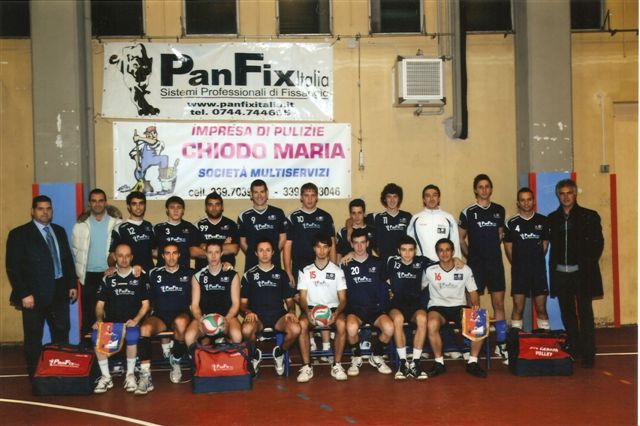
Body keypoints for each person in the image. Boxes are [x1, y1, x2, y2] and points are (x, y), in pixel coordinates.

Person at [6, 195, 77, 378]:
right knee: (33, 337)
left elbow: (67, 260)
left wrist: (72, 284)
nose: (45, 212)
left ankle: (60, 372)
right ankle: (35, 375)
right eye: (40, 209)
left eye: (48, 208)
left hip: (59, 292)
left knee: (61, 334)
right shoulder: (19, 234)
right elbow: (13, 267)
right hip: (33, 295)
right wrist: (24, 293)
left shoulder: (59, 231)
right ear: (32, 211)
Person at [548, 179, 604, 368]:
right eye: (562, 193)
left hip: (582, 275)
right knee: (567, 314)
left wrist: (587, 265)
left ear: (575, 194)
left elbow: (598, 243)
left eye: (569, 193)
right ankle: (576, 347)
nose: (566, 197)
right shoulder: (552, 218)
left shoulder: (589, 216)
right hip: (561, 275)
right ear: (558, 195)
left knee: (586, 314)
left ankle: (589, 353)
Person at [458, 174, 508, 362]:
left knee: (499, 304)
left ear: (491, 189)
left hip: (495, 264)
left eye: (487, 186)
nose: (484, 190)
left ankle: (501, 344)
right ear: (475, 190)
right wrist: (470, 256)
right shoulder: (468, 212)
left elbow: (500, 234)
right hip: (476, 266)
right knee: (474, 305)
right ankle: (471, 343)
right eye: (480, 187)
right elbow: (460, 237)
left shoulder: (499, 210)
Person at [423, 238, 487, 378]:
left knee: (479, 321)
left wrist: (476, 307)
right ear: (437, 253)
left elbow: (473, 292)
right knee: (432, 323)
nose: (444, 253)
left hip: (459, 306)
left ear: (452, 252)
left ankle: (472, 362)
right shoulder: (429, 270)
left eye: (447, 250)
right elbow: (419, 287)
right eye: (441, 250)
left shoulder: (464, 269)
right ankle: (439, 363)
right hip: (437, 307)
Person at [135, 243, 192, 395]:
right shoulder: (154, 273)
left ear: (179, 255)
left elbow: (210, 269)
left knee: (181, 323)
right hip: (160, 316)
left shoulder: (189, 273)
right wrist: (114, 269)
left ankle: (176, 360)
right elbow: (132, 272)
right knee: (144, 329)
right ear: (162, 256)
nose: (171, 257)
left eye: (174, 253)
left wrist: (225, 264)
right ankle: (145, 375)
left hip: (181, 314)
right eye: (167, 253)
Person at [93, 243, 150, 394]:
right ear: (114, 257)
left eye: (127, 256)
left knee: (132, 335)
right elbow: (99, 305)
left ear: (132, 257)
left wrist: (136, 320)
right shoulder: (108, 278)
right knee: (96, 335)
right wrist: (99, 319)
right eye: (120, 256)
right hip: (112, 323)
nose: (124, 259)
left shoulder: (140, 276)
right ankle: (106, 377)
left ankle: (130, 375)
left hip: (131, 322)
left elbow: (146, 305)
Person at [240, 239, 299, 376]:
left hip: (278, 316)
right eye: (261, 250)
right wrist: (248, 312)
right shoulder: (249, 275)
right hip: (257, 317)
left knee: (296, 329)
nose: (264, 253)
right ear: (256, 253)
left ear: (273, 252)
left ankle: (279, 352)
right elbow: (242, 304)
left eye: (268, 250)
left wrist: (291, 312)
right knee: (246, 330)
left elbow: (290, 302)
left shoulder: (281, 274)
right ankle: (255, 354)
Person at [296, 233, 348, 382]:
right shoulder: (305, 271)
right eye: (318, 247)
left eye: (325, 247)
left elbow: (343, 299)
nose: (322, 250)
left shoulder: (337, 271)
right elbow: (302, 298)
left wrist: (336, 313)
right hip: (311, 309)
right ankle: (307, 366)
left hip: (332, 309)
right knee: (301, 325)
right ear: (314, 248)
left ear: (329, 249)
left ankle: (337, 364)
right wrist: (307, 312)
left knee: (342, 324)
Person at [342, 229, 393, 376]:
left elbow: (387, 283)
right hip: (355, 309)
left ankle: (376, 355)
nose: (359, 247)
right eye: (356, 243)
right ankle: (356, 357)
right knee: (351, 328)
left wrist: (390, 293)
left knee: (389, 328)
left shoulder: (378, 263)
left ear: (368, 243)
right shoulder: (345, 264)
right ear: (351, 244)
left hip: (375, 309)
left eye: (362, 242)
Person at [72, 188, 122, 336]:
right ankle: (88, 347)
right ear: (89, 203)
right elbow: (75, 250)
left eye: (101, 201)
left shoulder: (117, 224)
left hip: (110, 274)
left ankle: (112, 346)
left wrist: (116, 267)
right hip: (89, 276)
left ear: (105, 202)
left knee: (111, 313)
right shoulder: (80, 226)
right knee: (89, 315)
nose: (97, 204)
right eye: (94, 201)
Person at [504, 188, 550, 335]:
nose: (526, 203)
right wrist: (520, 264)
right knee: (518, 308)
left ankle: (545, 341)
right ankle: (515, 342)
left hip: (538, 271)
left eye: (529, 199)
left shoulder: (543, 221)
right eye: (522, 200)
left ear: (533, 201)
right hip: (519, 272)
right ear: (518, 203)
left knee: (541, 308)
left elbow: (545, 245)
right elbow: (508, 248)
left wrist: (534, 261)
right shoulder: (511, 223)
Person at [387, 235, 432, 380]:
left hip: (415, 305)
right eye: (404, 250)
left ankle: (416, 363)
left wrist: (456, 260)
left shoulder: (422, 261)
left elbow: (443, 261)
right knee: (398, 319)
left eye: (411, 250)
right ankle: (403, 363)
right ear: (398, 251)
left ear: (415, 251)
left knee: (422, 319)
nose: (407, 253)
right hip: (396, 305)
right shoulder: (391, 262)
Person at [185, 241, 242, 349]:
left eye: (217, 252)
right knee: (189, 337)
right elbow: (195, 305)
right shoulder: (198, 276)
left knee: (237, 336)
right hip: (205, 318)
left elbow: (236, 304)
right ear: (205, 254)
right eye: (210, 252)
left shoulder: (232, 275)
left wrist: (226, 319)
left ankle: (225, 345)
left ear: (221, 254)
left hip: (227, 317)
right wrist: (200, 318)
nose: (214, 256)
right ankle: (199, 358)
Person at [283, 182, 337, 285]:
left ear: (317, 197)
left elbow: (332, 243)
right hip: (299, 265)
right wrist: (288, 272)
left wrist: (333, 267)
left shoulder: (326, 217)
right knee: (300, 294)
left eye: (313, 195)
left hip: (321, 264)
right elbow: (287, 245)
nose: (309, 199)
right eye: (306, 195)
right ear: (301, 197)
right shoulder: (292, 218)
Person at [237, 179, 288, 271]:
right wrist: (253, 254)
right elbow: (242, 242)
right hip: (252, 264)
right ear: (251, 194)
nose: (259, 195)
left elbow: (283, 238)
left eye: (262, 192)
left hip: (274, 262)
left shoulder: (278, 213)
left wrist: (272, 253)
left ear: (267, 193)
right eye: (255, 192)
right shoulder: (244, 216)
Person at [407, 184, 461, 263]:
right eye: (428, 196)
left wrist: (457, 259)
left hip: (444, 264)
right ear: (424, 199)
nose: (431, 199)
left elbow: (455, 241)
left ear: (439, 198)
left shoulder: (448, 218)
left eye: (434, 195)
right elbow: (409, 243)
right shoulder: (416, 218)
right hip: (421, 265)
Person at [109, 191, 156, 274]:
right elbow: (112, 256)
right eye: (134, 204)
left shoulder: (150, 226)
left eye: (141, 203)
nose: (138, 207)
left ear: (145, 205)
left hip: (149, 274)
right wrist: (112, 267)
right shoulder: (120, 228)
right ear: (128, 206)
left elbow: (154, 252)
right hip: (129, 275)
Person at [366, 183, 413, 262]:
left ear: (399, 199)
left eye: (395, 196)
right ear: (384, 199)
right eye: (389, 197)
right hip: (384, 262)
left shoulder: (407, 216)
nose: (392, 200)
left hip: (403, 262)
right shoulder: (376, 217)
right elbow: (356, 219)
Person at [154, 196, 202, 270]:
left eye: (179, 207)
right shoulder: (158, 228)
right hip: (162, 272)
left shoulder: (190, 228)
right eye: (172, 207)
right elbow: (153, 251)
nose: (175, 210)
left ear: (183, 210)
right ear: (167, 210)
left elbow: (194, 250)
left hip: (184, 272)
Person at [195, 191, 239, 270]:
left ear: (222, 207)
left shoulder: (231, 225)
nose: (214, 208)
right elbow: (193, 252)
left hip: (225, 269)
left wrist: (205, 247)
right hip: (203, 270)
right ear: (206, 208)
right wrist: (224, 246)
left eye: (217, 205)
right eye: (210, 205)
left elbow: (234, 249)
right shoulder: (197, 225)